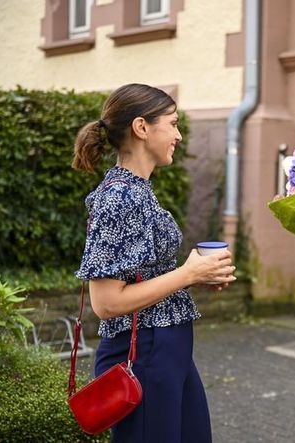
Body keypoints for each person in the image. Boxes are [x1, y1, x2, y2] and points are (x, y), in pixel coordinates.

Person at [73, 83, 236, 442]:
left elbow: (145, 276)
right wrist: (187, 273)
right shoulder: (119, 197)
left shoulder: (138, 190)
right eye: (173, 124)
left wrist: (197, 276)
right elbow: (107, 303)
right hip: (144, 354)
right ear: (142, 127)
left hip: (166, 351)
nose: (178, 135)